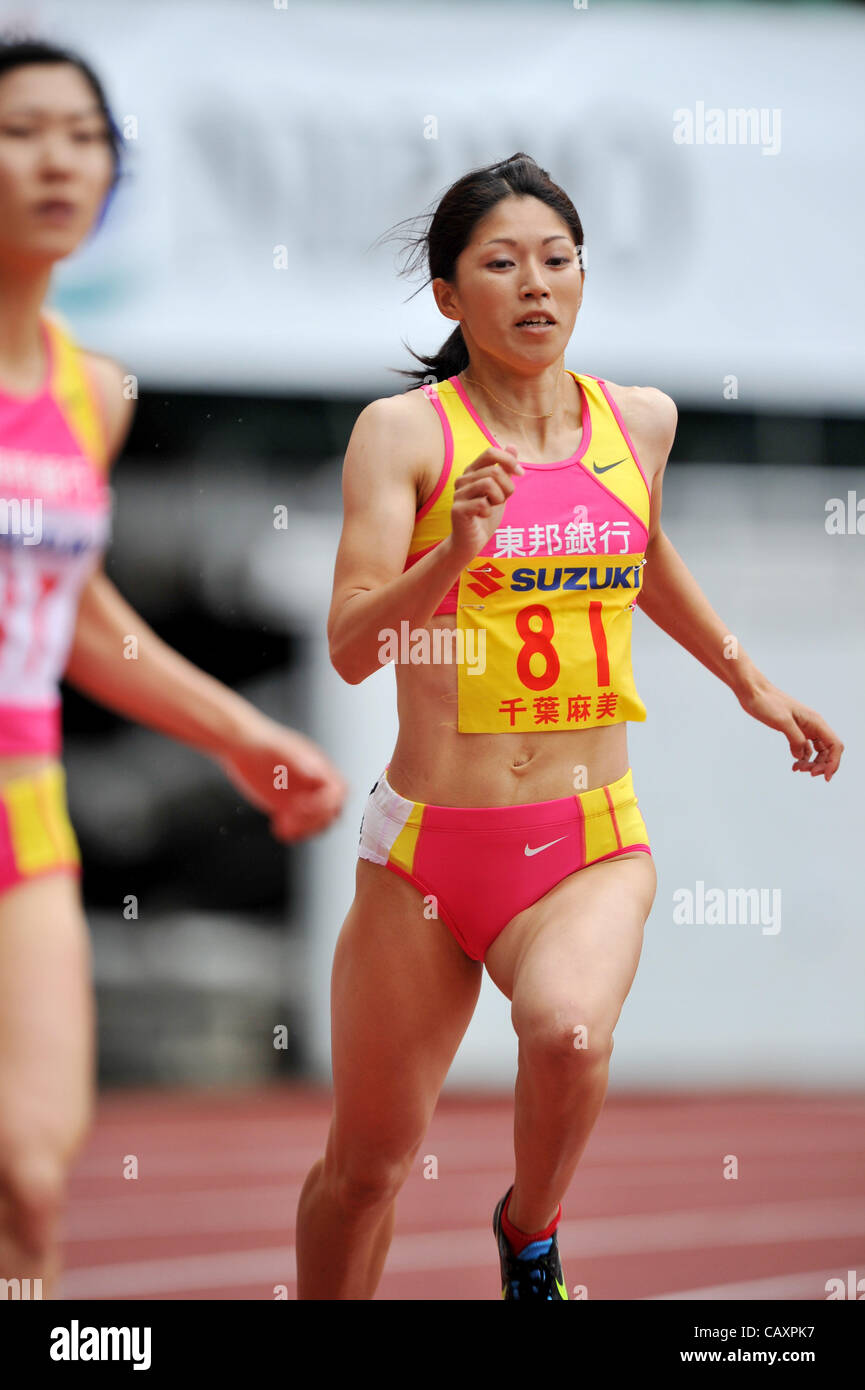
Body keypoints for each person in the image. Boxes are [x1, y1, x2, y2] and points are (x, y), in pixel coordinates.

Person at [295, 152, 843, 1300]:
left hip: (587, 837)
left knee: (566, 1036)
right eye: (500, 263)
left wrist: (748, 678)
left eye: (557, 260)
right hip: (425, 855)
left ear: (583, 277)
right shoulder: (402, 436)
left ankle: (528, 1231)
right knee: (366, 1170)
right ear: (449, 296)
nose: (534, 284)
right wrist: (450, 555)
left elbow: (639, 552)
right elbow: (350, 646)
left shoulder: (636, 421)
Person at [0, 38, 347, 1296]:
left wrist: (237, 734)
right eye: (24, 128)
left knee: (33, 1175)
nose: (59, 159)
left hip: (21, 805)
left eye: (85, 136)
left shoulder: (93, 394)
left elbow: (74, 608)